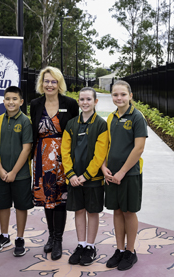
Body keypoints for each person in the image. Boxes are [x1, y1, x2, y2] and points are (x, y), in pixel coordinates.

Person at [30, 66, 79, 261]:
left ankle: (58, 239)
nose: (49, 85)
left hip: (62, 158)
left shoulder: (70, 103)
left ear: (59, 84)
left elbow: (76, 130)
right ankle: (50, 236)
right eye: (46, 81)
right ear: (41, 84)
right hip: (41, 158)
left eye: (53, 81)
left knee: (60, 200)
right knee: (46, 200)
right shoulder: (35, 104)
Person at [102, 80, 147, 271]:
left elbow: (139, 148)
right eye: (115, 95)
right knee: (117, 211)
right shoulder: (111, 118)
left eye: (122, 94)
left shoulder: (137, 117)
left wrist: (122, 172)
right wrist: (104, 167)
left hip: (129, 174)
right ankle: (119, 250)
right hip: (112, 174)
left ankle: (130, 252)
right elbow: (108, 146)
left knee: (129, 212)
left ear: (130, 96)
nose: (119, 98)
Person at [61, 87, 108, 266]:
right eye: (82, 99)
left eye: (89, 99)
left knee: (92, 211)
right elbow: (64, 151)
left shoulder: (101, 125)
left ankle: (90, 246)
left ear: (95, 102)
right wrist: (71, 174)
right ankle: (80, 244)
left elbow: (100, 155)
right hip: (73, 179)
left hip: (93, 179)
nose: (85, 102)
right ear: (78, 102)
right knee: (79, 211)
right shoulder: (71, 124)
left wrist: (86, 175)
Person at [0, 86, 33, 257]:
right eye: (7, 99)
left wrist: (14, 172)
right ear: (3, 100)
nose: (11, 102)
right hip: (1, 174)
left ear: (21, 102)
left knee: (21, 206)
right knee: (3, 205)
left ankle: (20, 238)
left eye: (14, 99)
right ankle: (4, 235)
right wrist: (0, 169)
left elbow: (26, 148)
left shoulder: (25, 121)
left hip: (20, 175)